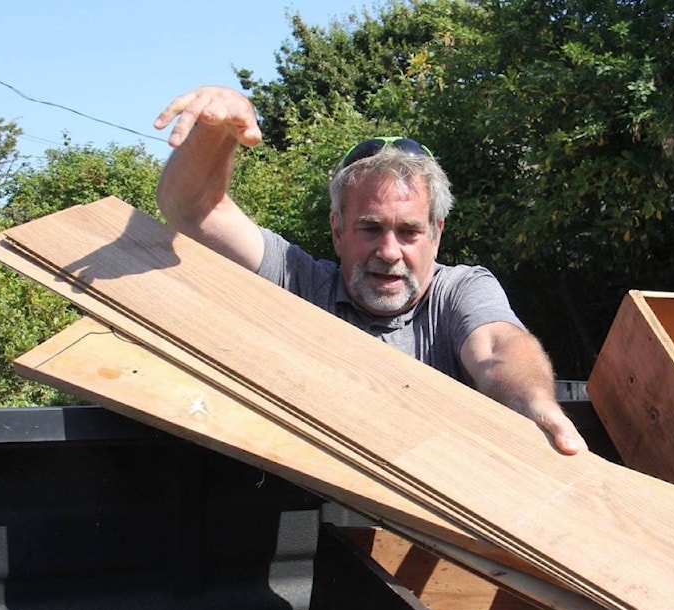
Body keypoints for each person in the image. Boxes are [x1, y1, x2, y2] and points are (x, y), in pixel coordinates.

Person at [153, 86, 586, 455]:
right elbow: (194, 210)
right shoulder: (297, 280)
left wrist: (534, 399)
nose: (389, 251)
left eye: (409, 231)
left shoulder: (458, 291)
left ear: (436, 233)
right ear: (338, 229)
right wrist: (216, 134)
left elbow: (497, 348)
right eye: (370, 228)